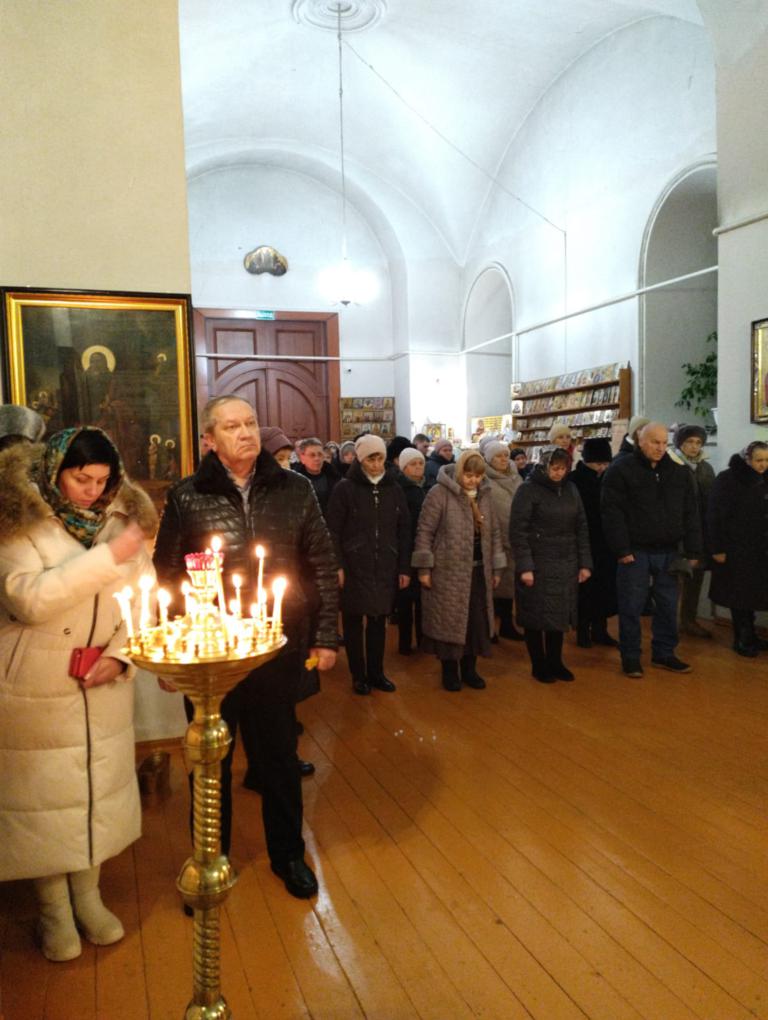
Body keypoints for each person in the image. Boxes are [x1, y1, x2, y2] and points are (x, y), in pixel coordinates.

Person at [153, 395, 338, 899]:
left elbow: (321, 564)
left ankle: (288, 855)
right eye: (232, 426)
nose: (246, 433)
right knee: (210, 761)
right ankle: (210, 859)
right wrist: (172, 653)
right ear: (209, 440)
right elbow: (167, 575)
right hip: (211, 653)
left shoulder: (295, 488)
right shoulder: (188, 495)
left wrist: (326, 636)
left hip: (276, 647)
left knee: (278, 758)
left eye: (251, 423)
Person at [0, 426, 156, 961]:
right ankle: (53, 912)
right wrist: (109, 557)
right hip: (36, 683)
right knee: (43, 802)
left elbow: (145, 596)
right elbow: (29, 599)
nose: (93, 492)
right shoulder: (18, 520)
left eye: (103, 481)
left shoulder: (121, 518)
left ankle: (88, 898)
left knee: (93, 791)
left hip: (101, 681)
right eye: (81, 479)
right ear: (54, 471)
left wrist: (121, 655)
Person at [601, 422, 701, 678]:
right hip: (634, 551)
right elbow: (612, 513)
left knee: (668, 605)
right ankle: (631, 656)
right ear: (641, 441)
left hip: (669, 550)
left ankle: (664, 653)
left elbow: (691, 513)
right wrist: (621, 548)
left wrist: (693, 550)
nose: (660, 447)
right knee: (631, 606)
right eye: (655, 442)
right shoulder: (620, 470)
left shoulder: (679, 473)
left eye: (664, 443)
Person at [413, 450, 505, 691]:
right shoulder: (439, 493)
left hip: (478, 571)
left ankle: (470, 669)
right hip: (448, 572)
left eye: (478, 476)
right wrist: (424, 568)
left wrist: (496, 567)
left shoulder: (485, 495)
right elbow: (425, 532)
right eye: (468, 475)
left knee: (476, 622)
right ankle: (449, 670)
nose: (473, 480)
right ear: (460, 471)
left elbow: (494, 532)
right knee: (450, 621)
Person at [326, 434, 411, 694]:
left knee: (378, 620)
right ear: (360, 460)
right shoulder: (345, 489)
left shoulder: (394, 488)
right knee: (353, 622)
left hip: (384, 563)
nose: (376, 465)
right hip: (354, 565)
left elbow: (404, 529)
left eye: (380, 459)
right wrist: (337, 565)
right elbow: (333, 530)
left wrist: (404, 567)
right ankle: (358, 675)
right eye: (370, 459)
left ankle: (376, 672)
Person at [510, 447, 592, 682]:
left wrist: (585, 563)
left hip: (566, 561)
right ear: (545, 467)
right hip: (538, 562)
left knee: (559, 614)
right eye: (554, 468)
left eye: (563, 469)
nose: (558, 473)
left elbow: (581, 527)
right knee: (536, 614)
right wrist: (525, 566)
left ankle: (556, 661)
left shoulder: (571, 489)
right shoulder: (528, 490)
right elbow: (518, 531)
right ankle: (538, 663)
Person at [707, 441, 768, 656]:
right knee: (739, 594)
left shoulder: (764, 478)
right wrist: (717, 548)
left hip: (759, 548)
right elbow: (715, 516)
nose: (763, 465)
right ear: (747, 459)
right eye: (759, 460)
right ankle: (742, 638)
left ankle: (751, 635)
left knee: (755, 594)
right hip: (736, 548)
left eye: (766, 460)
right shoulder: (728, 479)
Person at [570, 437, 618, 647]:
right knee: (584, 590)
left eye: (606, 463)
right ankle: (582, 630)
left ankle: (600, 629)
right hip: (583, 542)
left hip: (605, 543)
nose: (602, 468)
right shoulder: (574, 480)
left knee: (604, 588)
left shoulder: (609, 478)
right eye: (598, 463)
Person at [669, 424, 715, 638]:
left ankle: (689, 620)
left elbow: (712, 500)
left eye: (698, 442)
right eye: (689, 442)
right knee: (675, 579)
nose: (694, 446)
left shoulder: (706, 468)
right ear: (680, 443)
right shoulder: (672, 465)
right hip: (678, 531)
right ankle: (670, 622)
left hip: (701, 531)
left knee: (695, 579)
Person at [482, 440, 524, 641]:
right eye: (498, 456)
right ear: (490, 459)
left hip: (516, 539)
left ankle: (507, 624)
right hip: (494, 540)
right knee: (492, 584)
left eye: (506, 455)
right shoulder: (484, 479)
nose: (503, 459)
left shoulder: (516, 477)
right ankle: (488, 629)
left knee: (509, 586)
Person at [395, 447, 426, 654]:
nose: (418, 467)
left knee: (422, 600)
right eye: (413, 464)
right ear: (404, 467)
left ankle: (422, 640)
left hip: (421, 547)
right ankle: (405, 643)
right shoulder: (400, 489)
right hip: (405, 548)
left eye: (421, 463)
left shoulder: (423, 487)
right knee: (406, 600)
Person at [292, 436, 340, 517]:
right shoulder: (295, 481)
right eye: (312, 455)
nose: (317, 459)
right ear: (302, 458)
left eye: (320, 454)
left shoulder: (334, 477)